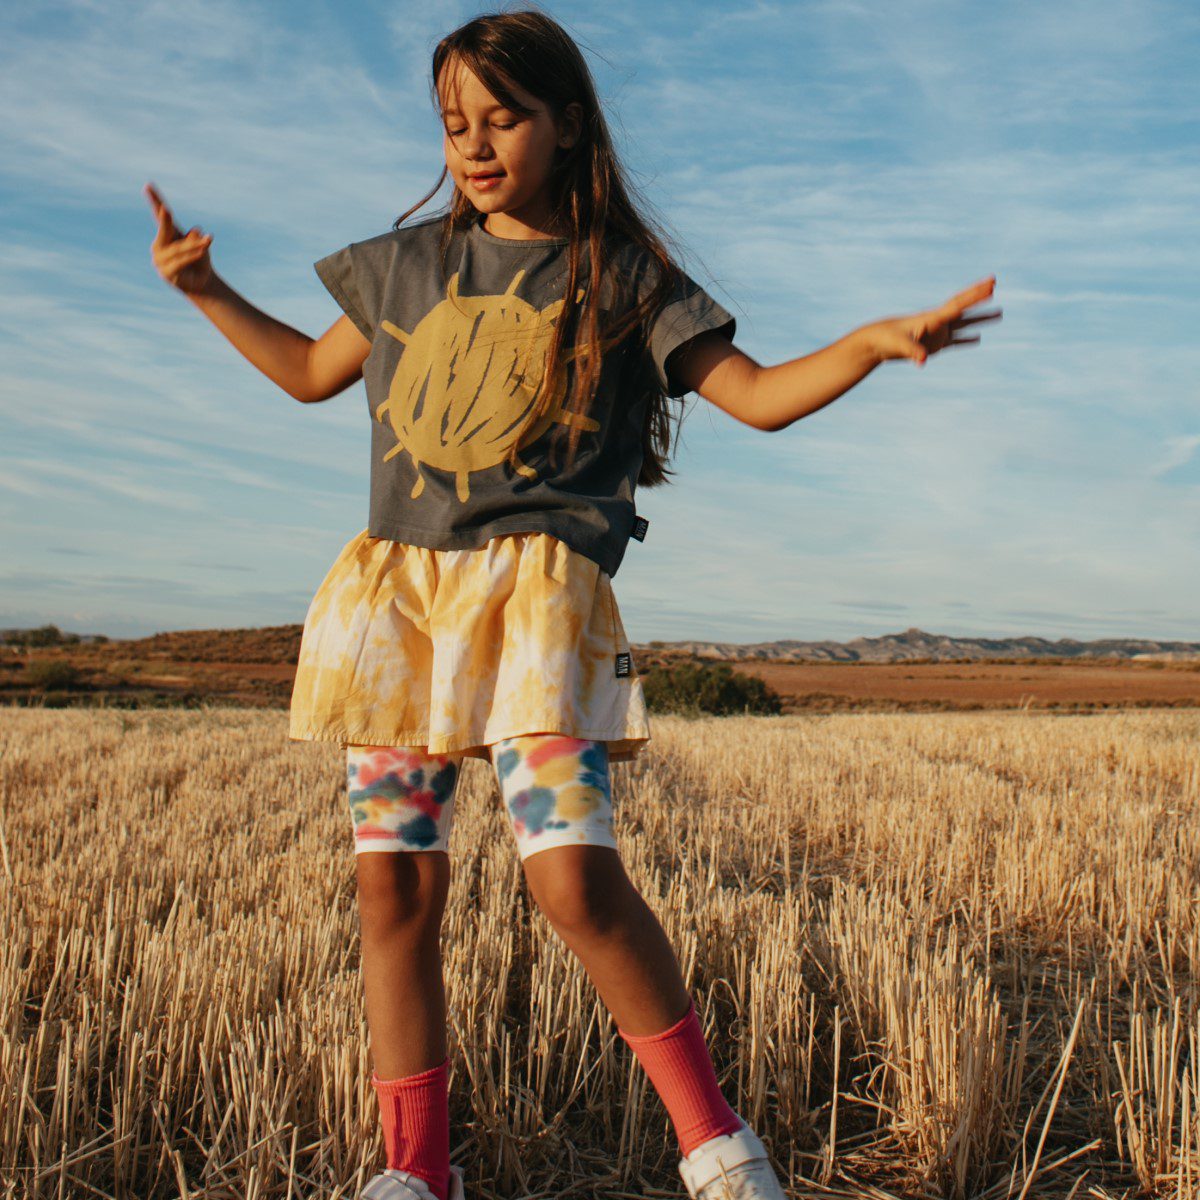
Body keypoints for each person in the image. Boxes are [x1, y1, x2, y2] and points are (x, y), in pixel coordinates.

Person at [145, 10, 1000, 1200]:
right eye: (455, 124)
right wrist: (207, 290)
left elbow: (753, 396)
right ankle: (416, 1174)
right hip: (402, 611)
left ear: (569, 123)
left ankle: (719, 1151)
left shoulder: (622, 279)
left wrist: (866, 344)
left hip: (536, 610)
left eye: (503, 117)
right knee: (393, 886)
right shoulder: (404, 269)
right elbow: (305, 373)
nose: (476, 144)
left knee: (572, 881)